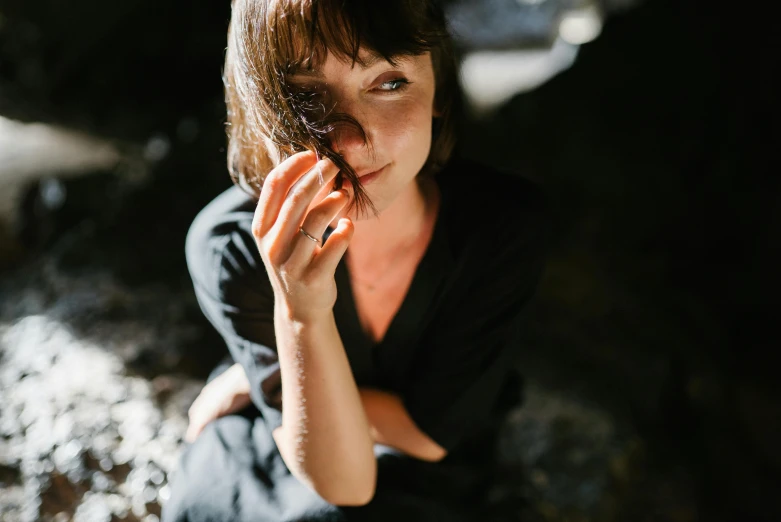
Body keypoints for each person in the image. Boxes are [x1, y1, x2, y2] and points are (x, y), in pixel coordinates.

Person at [162, 0, 550, 520]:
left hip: (416, 468)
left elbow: (429, 435)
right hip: (280, 446)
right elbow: (337, 473)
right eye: (305, 94)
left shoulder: (501, 227)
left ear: (437, 85)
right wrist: (300, 312)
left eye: (389, 82)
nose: (350, 139)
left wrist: (259, 379)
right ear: (258, 104)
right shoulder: (231, 244)